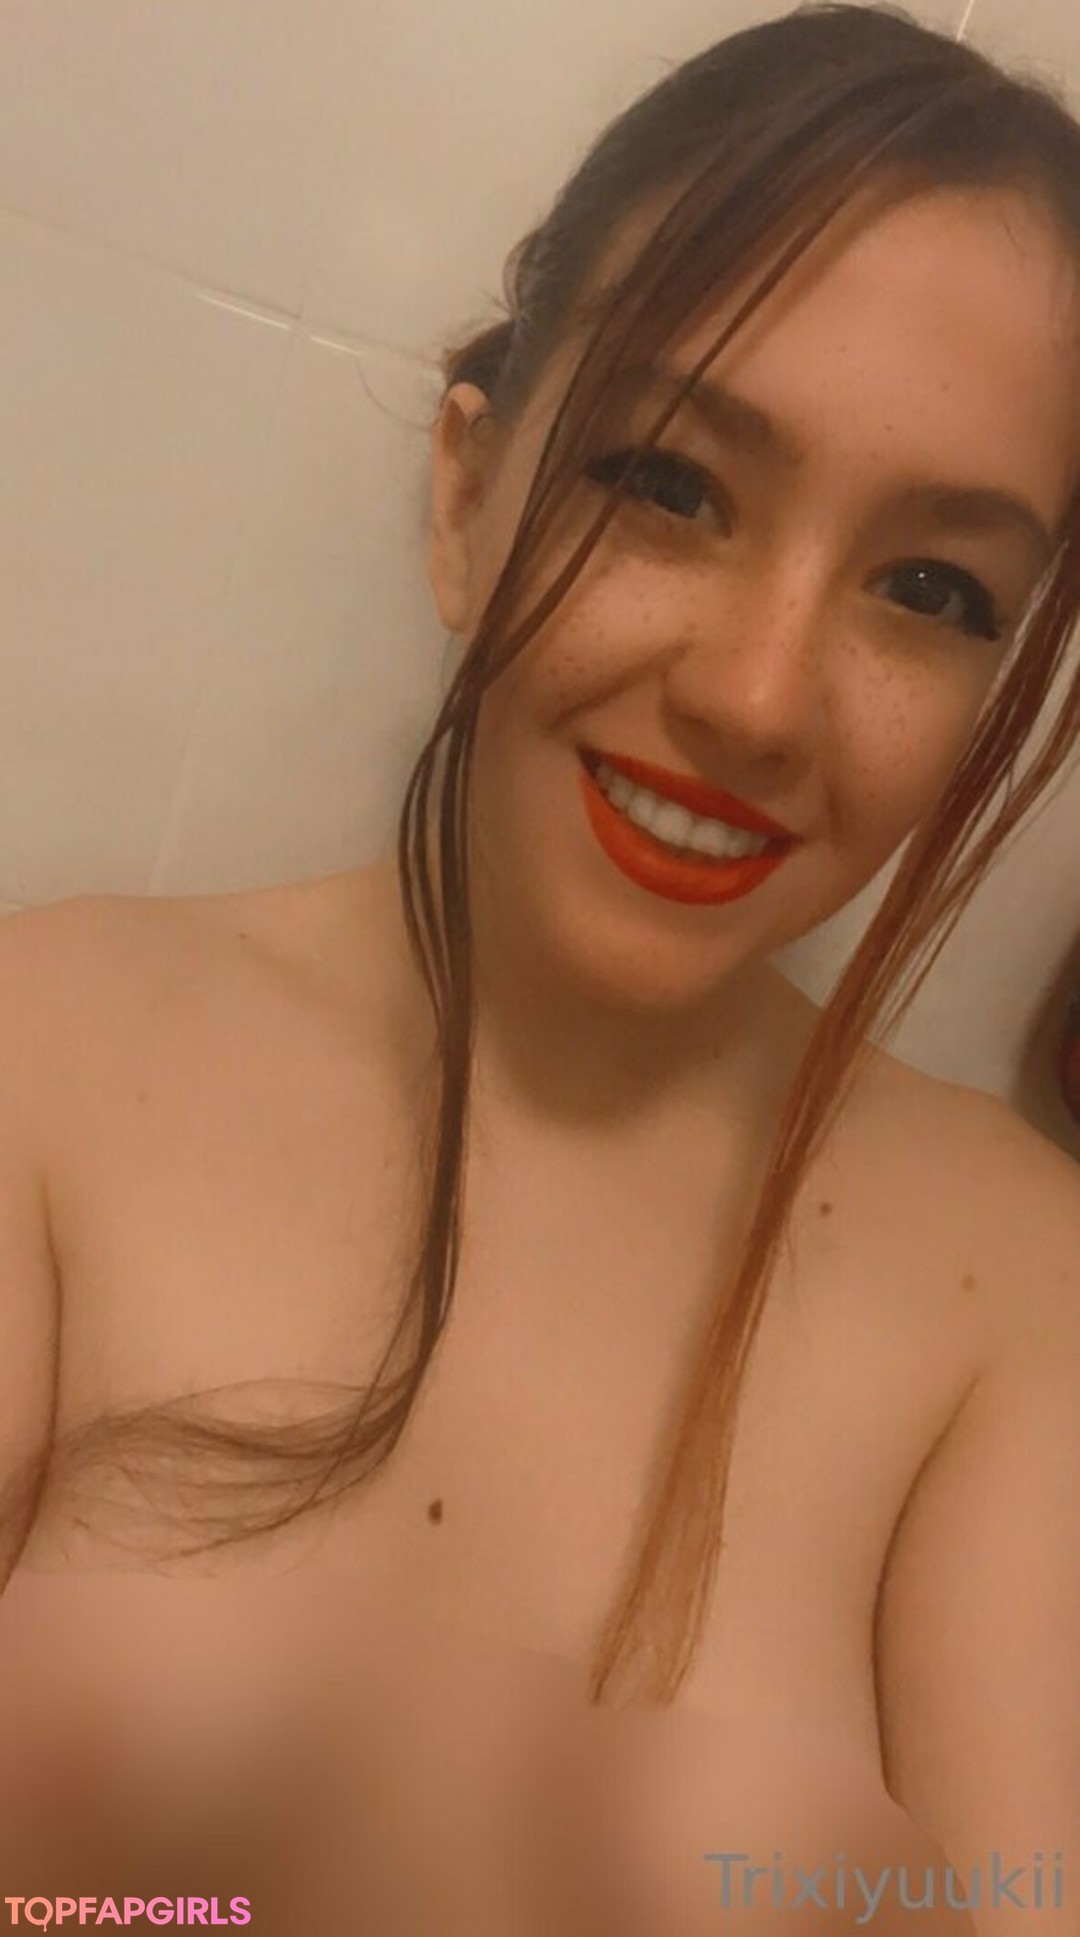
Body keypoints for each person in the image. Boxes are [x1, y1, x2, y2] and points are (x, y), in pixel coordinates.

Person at [0, 2, 1077, 1929]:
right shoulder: (46, 1064)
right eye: (670, 482)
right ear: (464, 493)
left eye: (931, 589)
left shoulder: (1026, 1298)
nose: (759, 697)